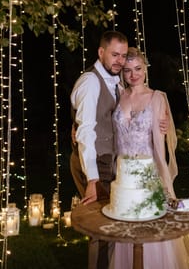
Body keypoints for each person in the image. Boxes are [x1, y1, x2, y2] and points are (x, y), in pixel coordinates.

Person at [110, 47, 189, 269]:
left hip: (148, 176)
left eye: (138, 68)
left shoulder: (157, 97)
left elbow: (160, 145)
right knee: (126, 229)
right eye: (128, 70)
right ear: (123, 72)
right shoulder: (118, 93)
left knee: (153, 232)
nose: (134, 74)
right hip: (123, 176)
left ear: (145, 68)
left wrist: (165, 183)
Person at [70, 30, 128, 269]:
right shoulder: (91, 82)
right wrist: (92, 178)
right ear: (101, 52)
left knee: (110, 227)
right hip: (95, 163)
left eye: (123, 56)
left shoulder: (115, 82)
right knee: (102, 231)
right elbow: (85, 131)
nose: (120, 61)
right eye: (115, 54)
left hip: (109, 161)